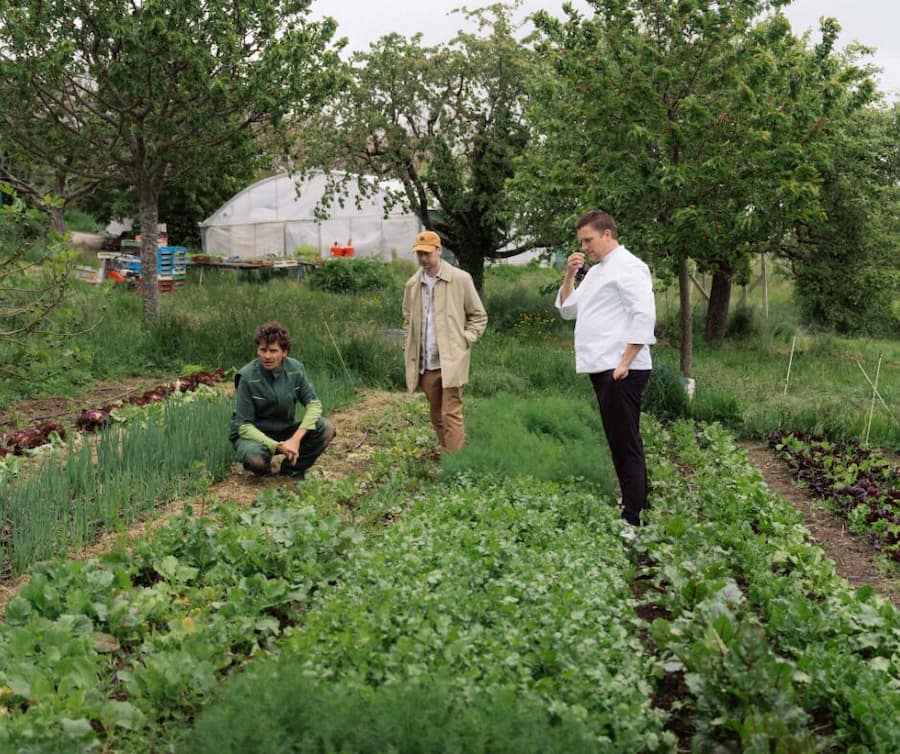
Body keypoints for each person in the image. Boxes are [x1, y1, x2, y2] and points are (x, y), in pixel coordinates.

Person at [556, 210, 656, 527]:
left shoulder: (629, 267)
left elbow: (643, 315)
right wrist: (570, 275)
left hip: (620, 368)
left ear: (607, 234)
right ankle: (636, 501)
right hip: (603, 368)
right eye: (581, 242)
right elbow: (569, 311)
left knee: (625, 443)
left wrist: (624, 362)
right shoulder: (599, 271)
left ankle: (632, 518)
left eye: (588, 240)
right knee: (619, 440)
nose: (584, 247)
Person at [403, 230, 488, 452]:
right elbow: (407, 320)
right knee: (436, 413)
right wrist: (409, 345)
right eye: (419, 254)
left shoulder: (460, 279)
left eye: (427, 253)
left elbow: (479, 316)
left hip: (452, 359)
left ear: (439, 251)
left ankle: (455, 461)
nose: (423, 259)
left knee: (451, 412)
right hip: (426, 362)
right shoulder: (412, 285)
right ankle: (448, 451)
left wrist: (465, 340)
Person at [229, 321, 335, 479]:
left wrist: (295, 439)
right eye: (262, 350)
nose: (267, 356)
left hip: (285, 430)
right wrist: (276, 445)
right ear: (257, 350)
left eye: (273, 351)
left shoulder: (295, 369)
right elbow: (244, 426)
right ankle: (264, 470)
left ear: (284, 352)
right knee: (256, 460)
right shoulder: (247, 377)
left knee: (326, 428)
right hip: (255, 436)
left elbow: (314, 405)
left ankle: (291, 470)